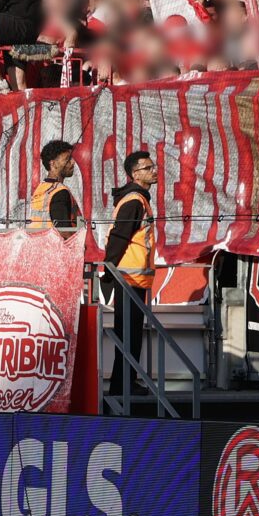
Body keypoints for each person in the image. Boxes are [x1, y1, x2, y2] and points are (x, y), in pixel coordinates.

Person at [104, 149, 157, 399]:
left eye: (152, 166)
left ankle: (126, 382)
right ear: (135, 173)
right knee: (128, 334)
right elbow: (119, 238)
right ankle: (122, 386)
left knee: (131, 333)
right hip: (128, 279)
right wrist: (108, 271)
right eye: (148, 168)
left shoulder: (137, 199)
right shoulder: (135, 201)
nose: (154, 170)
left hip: (131, 278)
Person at [30, 138, 82, 234]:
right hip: (56, 246)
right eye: (67, 159)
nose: (73, 162)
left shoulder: (42, 188)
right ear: (52, 163)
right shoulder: (60, 192)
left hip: (40, 243)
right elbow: (64, 232)